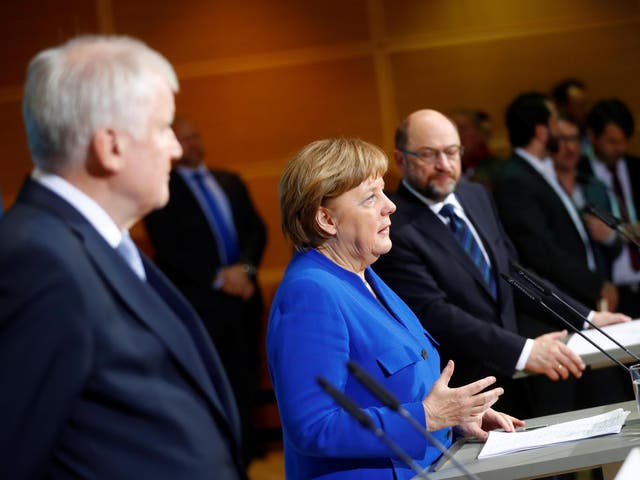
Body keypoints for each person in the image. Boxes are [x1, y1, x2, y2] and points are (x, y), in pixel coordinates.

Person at [0, 35, 245, 479]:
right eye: (162, 128)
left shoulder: (95, 242)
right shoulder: (38, 262)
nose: (174, 147)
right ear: (110, 146)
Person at [267, 137, 523, 480]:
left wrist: (453, 418)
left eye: (384, 192)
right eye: (371, 197)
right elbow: (314, 427)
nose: (390, 206)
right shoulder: (310, 293)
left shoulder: (365, 273)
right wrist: (427, 417)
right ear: (326, 219)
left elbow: (395, 387)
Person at [373, 109, 628, 419]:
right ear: (401, 160)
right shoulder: (394, 229)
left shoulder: (475, 195)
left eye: (451, 152)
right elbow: (436, 314)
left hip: (521, 379)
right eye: (429, 154)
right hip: (468, 392)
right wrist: (522, 351)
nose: (444, 165)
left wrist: (584, 317)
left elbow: (513, 273)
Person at [144, 116, 266, 464]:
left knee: (247, 377)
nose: (191, 144)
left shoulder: (229, 181)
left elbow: (256, 231)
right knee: (214, 383)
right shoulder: (162, 188)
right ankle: (223, 457)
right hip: (202, 304)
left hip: (244, 300)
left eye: (194, 136)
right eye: (182, 139)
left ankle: (247, 452)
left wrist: (244, 270)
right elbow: (168, 249)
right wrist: (220, 277)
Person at [493, 92, 619, 312]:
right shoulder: (516, 178)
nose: (557, 130)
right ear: (542, 132)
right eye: (552, 122)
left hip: (579, 294)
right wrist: (594, 285)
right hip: (560, 301)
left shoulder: (540, 171)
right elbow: (542, 250)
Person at [579, 98, 640, 318]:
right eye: (612, 142)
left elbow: (608, 230)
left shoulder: (635, 167)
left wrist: (619, 232)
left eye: (624, 141)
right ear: (592, 137)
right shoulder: (578, 174)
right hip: (610, 290)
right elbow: (590, 227)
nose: (619, 149)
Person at [552, 116, 621, 283]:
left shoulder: (595, 187)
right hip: (561, 288)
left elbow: (616, 247)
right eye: (562, 140)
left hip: (601, 288)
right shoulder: (540, 190)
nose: (570, 148)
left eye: (574, 139)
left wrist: (609, 237)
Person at [449, 108, 505, 190]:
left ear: (480, 133)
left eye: (462, 128)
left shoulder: (500, 169)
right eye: (452, 130)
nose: (457, 134)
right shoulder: (442, 169)